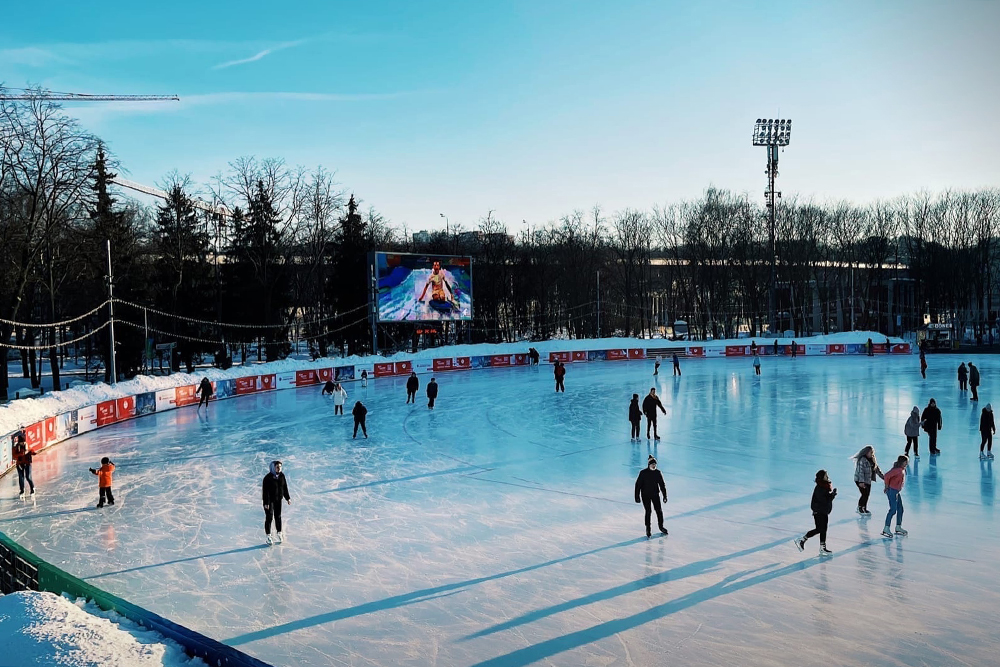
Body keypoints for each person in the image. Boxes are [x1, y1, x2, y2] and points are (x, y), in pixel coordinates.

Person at [794, 470, 837, 555]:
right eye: (825, 475)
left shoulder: (824, 486)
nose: (827, 476)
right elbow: (823, 500)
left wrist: (832, 495)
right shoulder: (820, 488)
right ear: (822, 477)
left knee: (823, 529)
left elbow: (826, 499)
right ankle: (802, 540)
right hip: (819, 511)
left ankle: (822, 547)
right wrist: (831, 495)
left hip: (823, 511)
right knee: (820, 529)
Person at [634, 455, 668, 538]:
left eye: (655, 465)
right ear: (649, 465)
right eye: (652, 464)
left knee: (659, 511)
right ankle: (648, 529)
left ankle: (661, 526)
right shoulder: (643, 473)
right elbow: (638, 485)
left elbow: (662, 485)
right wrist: (637, 496)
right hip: (645, 495)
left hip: (655, 494)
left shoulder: (657, 473)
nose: (654, 466)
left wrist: (664, 496)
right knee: (648, 511)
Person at [262, 461, 291, 545]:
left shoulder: (282, 476)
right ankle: (268, 536)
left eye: (280, 467)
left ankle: (279, 533)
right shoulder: (267, 478)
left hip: (278, 499)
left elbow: (285, 487)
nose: (279, 468)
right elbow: (265, 492)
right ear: (273, 468)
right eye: (277, 467)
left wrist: (287, 498)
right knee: (269, 517)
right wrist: (266, 503)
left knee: (278, 516)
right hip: (269, 501)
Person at [881, 456, 909, 538]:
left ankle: (898, 526)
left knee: (900, 509)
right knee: (893, 509)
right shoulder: (897, 470)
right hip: (892, 491)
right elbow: (886, 476)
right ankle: (886, 527)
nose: (907, 463)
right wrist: (886, 486)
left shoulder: (901, 470)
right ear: (902, 462)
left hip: (896, 491)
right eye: (906, 462)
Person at [852, 445, 884, 515]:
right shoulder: (862, 460)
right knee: (864, 494)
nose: (872, 454)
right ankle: (860, 508)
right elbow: (861, 471)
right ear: (866, 452)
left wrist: (884, 478)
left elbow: (877, 470)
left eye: (872, 452)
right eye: (870, 452)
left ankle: (864, 508)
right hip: (860, 479)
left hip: (868, 480)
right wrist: (861, 482)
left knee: (867, 494)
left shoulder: (872, 460)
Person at [11, 431, 35, 497]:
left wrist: (32, 452)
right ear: (19, 442)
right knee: (21, 478)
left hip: (27, 463)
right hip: (20, 464)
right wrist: (22, 453)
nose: (23, 443)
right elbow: (14, 456)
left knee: (28, 477)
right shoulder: (16, 448)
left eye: (24, 442)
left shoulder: (26, 445)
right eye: (22, 442)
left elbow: (31, 450)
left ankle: (32, 488)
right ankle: (22, 490)